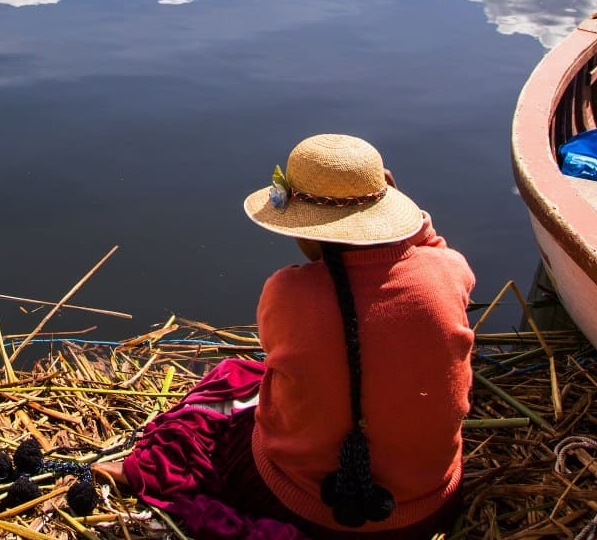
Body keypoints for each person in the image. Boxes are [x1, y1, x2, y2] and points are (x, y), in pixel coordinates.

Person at [102, 133, 475, 538]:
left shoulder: (288, 291)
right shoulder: (448, 271)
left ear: (305, 228)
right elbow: (432, 254)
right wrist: (410, 226)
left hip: (300, 507)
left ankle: (131, 472)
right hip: (424, 512)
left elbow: (287, 361)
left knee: (228, 390)